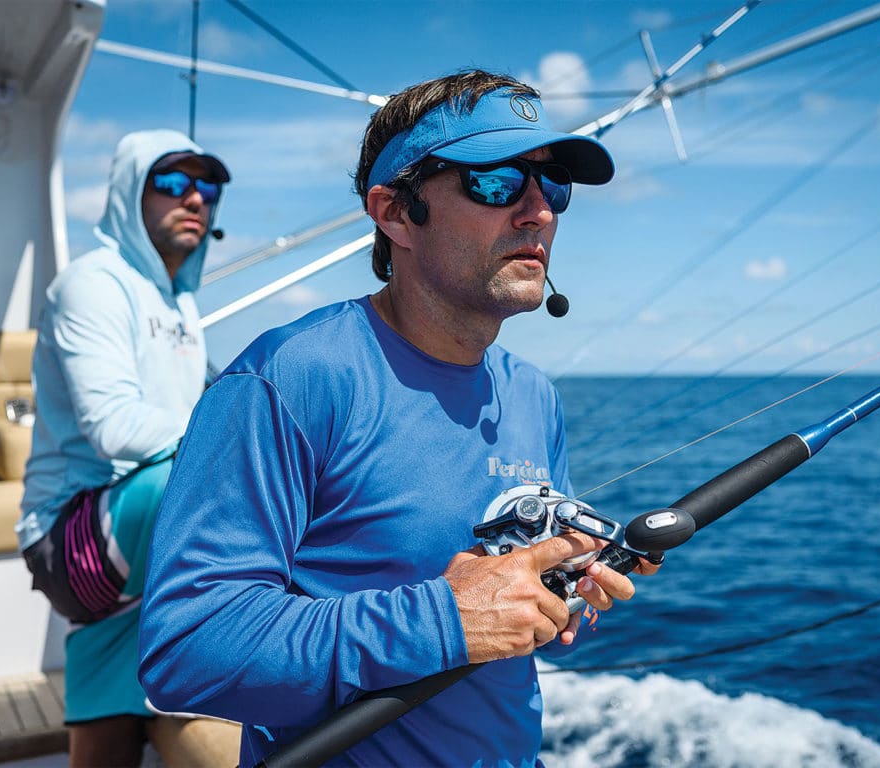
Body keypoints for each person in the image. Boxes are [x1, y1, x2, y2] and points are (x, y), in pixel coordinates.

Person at [138, 71, 659, 767]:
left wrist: (565, 589)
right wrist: (444, 619)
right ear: (394, 212)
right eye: (498, 182)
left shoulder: (534, 395)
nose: (538, 211)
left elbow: (507, 616)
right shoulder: (289, 379)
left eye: (553, 183)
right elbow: (186, 648)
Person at [17, 129, 241, 767]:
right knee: (218, 477)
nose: (194, 197)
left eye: (207, 184)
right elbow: (113, 428)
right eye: (170, 181)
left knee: (112, 709)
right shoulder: (92, 284)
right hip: (69, 542)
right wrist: (240, 444)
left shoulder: (180, 303)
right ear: (127, 194)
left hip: (124, 535)